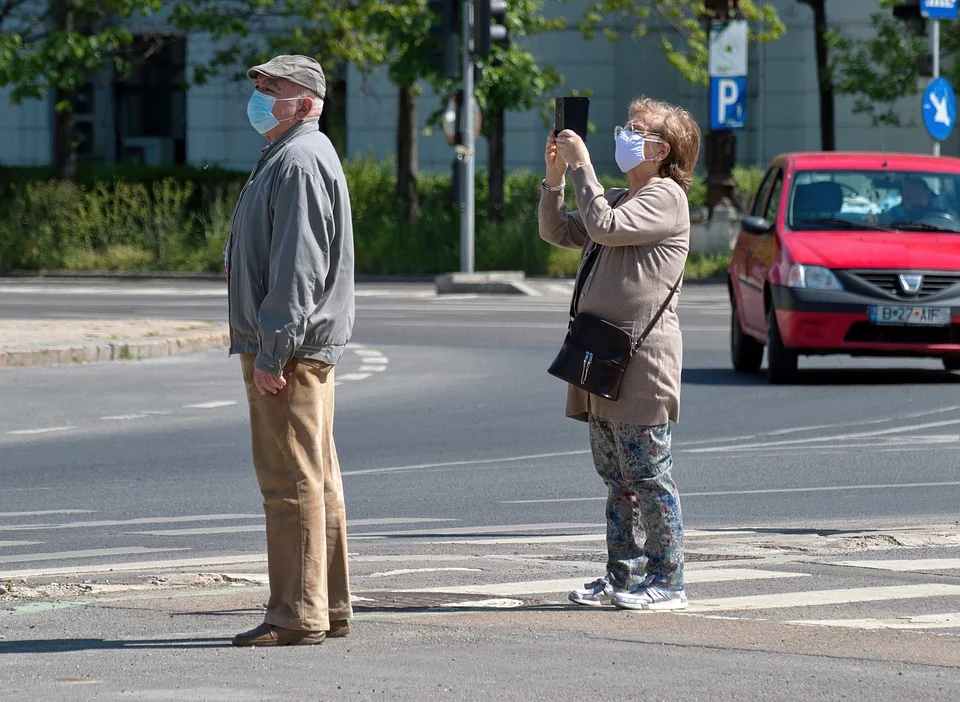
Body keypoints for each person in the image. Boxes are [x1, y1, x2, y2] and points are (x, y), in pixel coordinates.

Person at [538, 96, 700, 611]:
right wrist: (556, 178)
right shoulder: (613, 197)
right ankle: (622, 575)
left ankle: (668, 580)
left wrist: (582, 164)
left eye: (636, 129)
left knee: (648, 474)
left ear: (661, 148)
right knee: (617, 479)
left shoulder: (666, 197)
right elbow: (558, 230)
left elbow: (605, 227)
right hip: (600, 352)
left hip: (641, 360)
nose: (624, 135)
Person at [225, 55, 355, 647]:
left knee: (290, 482)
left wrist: (271, 351)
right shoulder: (296, 154)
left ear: (305, 102)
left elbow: (297, 268)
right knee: (317, 478)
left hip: (291, 349)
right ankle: (326, 605)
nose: (258, 97)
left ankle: (296, 614)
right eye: (258, 87)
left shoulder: (299, 160)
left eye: (271, 88)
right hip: (302, 344)